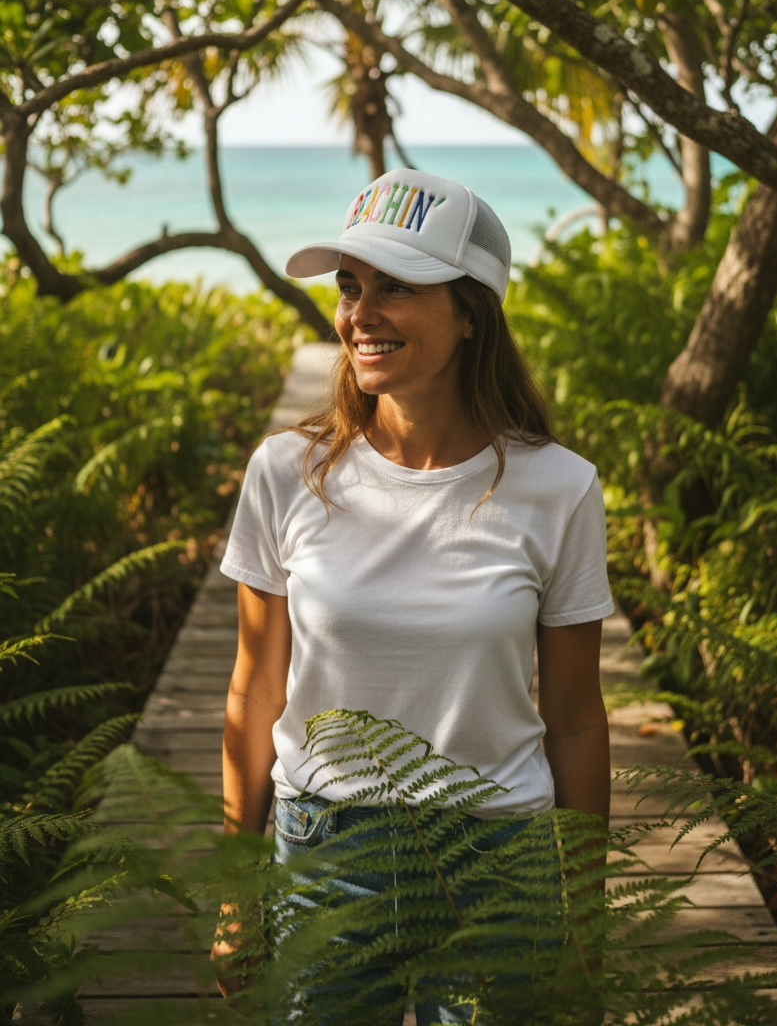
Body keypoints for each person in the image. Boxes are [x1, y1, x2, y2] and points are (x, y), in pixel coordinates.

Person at [212, 168, 614, 1023]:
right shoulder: (286, 473)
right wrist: (237, 890)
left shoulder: (560, 488)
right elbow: (252, 693)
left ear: (470, 312)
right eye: (351, 287)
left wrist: (588, 917)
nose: (360, 314)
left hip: (499, 859)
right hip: (325, 849)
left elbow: (578, 718)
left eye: (397, 286)